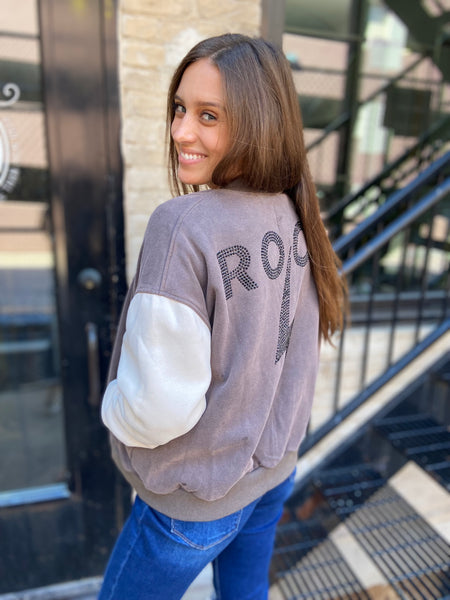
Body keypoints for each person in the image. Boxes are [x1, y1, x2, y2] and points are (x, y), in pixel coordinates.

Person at [98, 33, 346, 600]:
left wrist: (113, 409)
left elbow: (156, 407)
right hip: (272, 474)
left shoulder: (183, 225)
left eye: (208, 115)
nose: (181, 131)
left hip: (194, 501)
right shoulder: (292, 209)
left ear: (258, 122)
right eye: (180, 109)